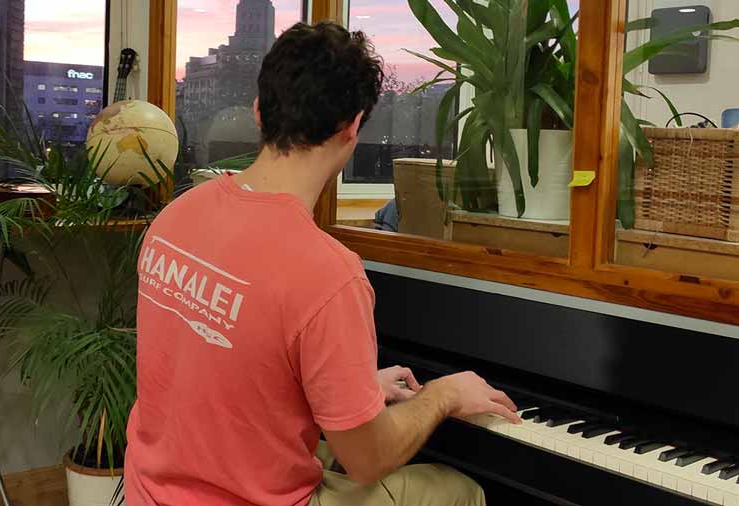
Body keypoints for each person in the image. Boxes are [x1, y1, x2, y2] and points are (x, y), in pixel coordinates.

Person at [125, 21, 520, 506]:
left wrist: (344, 391)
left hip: (150, 491)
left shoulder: (176, 215)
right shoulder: (327, 273)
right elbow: (369, 459)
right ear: (353, 126)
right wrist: (443, 396)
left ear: (258, 112)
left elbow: (219, 366)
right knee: (458, 490)